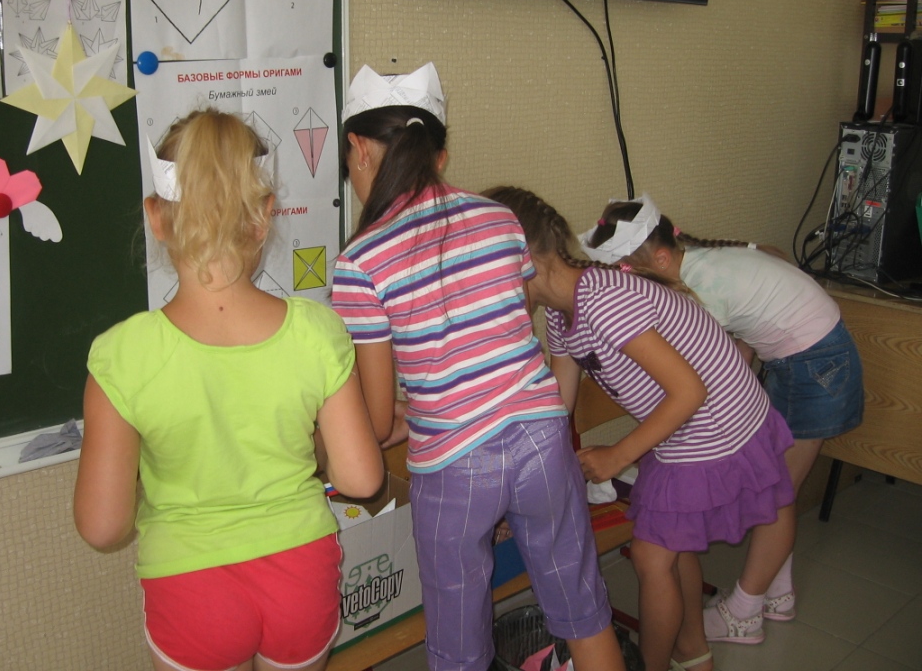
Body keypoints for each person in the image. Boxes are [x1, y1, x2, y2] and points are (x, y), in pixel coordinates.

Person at [331, 63, 624, 671]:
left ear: (358, 148)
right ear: (438, 155)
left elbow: (379, 421)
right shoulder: (499, 219)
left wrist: (408, 413)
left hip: (455, 465)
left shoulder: (360, 262)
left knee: (459, 644)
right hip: (543, 437)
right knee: (584, 611)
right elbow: (498, 341)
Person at [73, 109, 383, 671]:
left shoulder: (121, 356)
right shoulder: (317, 332)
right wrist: (308, 448)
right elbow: (362, 478)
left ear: (156, 217)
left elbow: (102, 525)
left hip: (191, 589)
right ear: (263, 217)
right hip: (300, 577)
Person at [484, 187, 797, 671]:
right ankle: (693, 651)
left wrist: (617, 456)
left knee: (653, 557)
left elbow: (689, 392)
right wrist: (516, 489)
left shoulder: (604, 300)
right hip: (685, 424)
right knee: (671, 547)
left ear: (523, 259)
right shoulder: (563, 316)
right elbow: (556, 410)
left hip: (715, 423)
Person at [589, 193, 864, 632]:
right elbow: (737, 348)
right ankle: (777, 593)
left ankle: (743, 613)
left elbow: (705, 371)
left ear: (661, 258)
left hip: (814, 363)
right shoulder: (701, 261)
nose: (626, 282)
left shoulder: (702, 288)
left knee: (776, 494)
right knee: (776, 487)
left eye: (627, 271)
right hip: (810, 353)